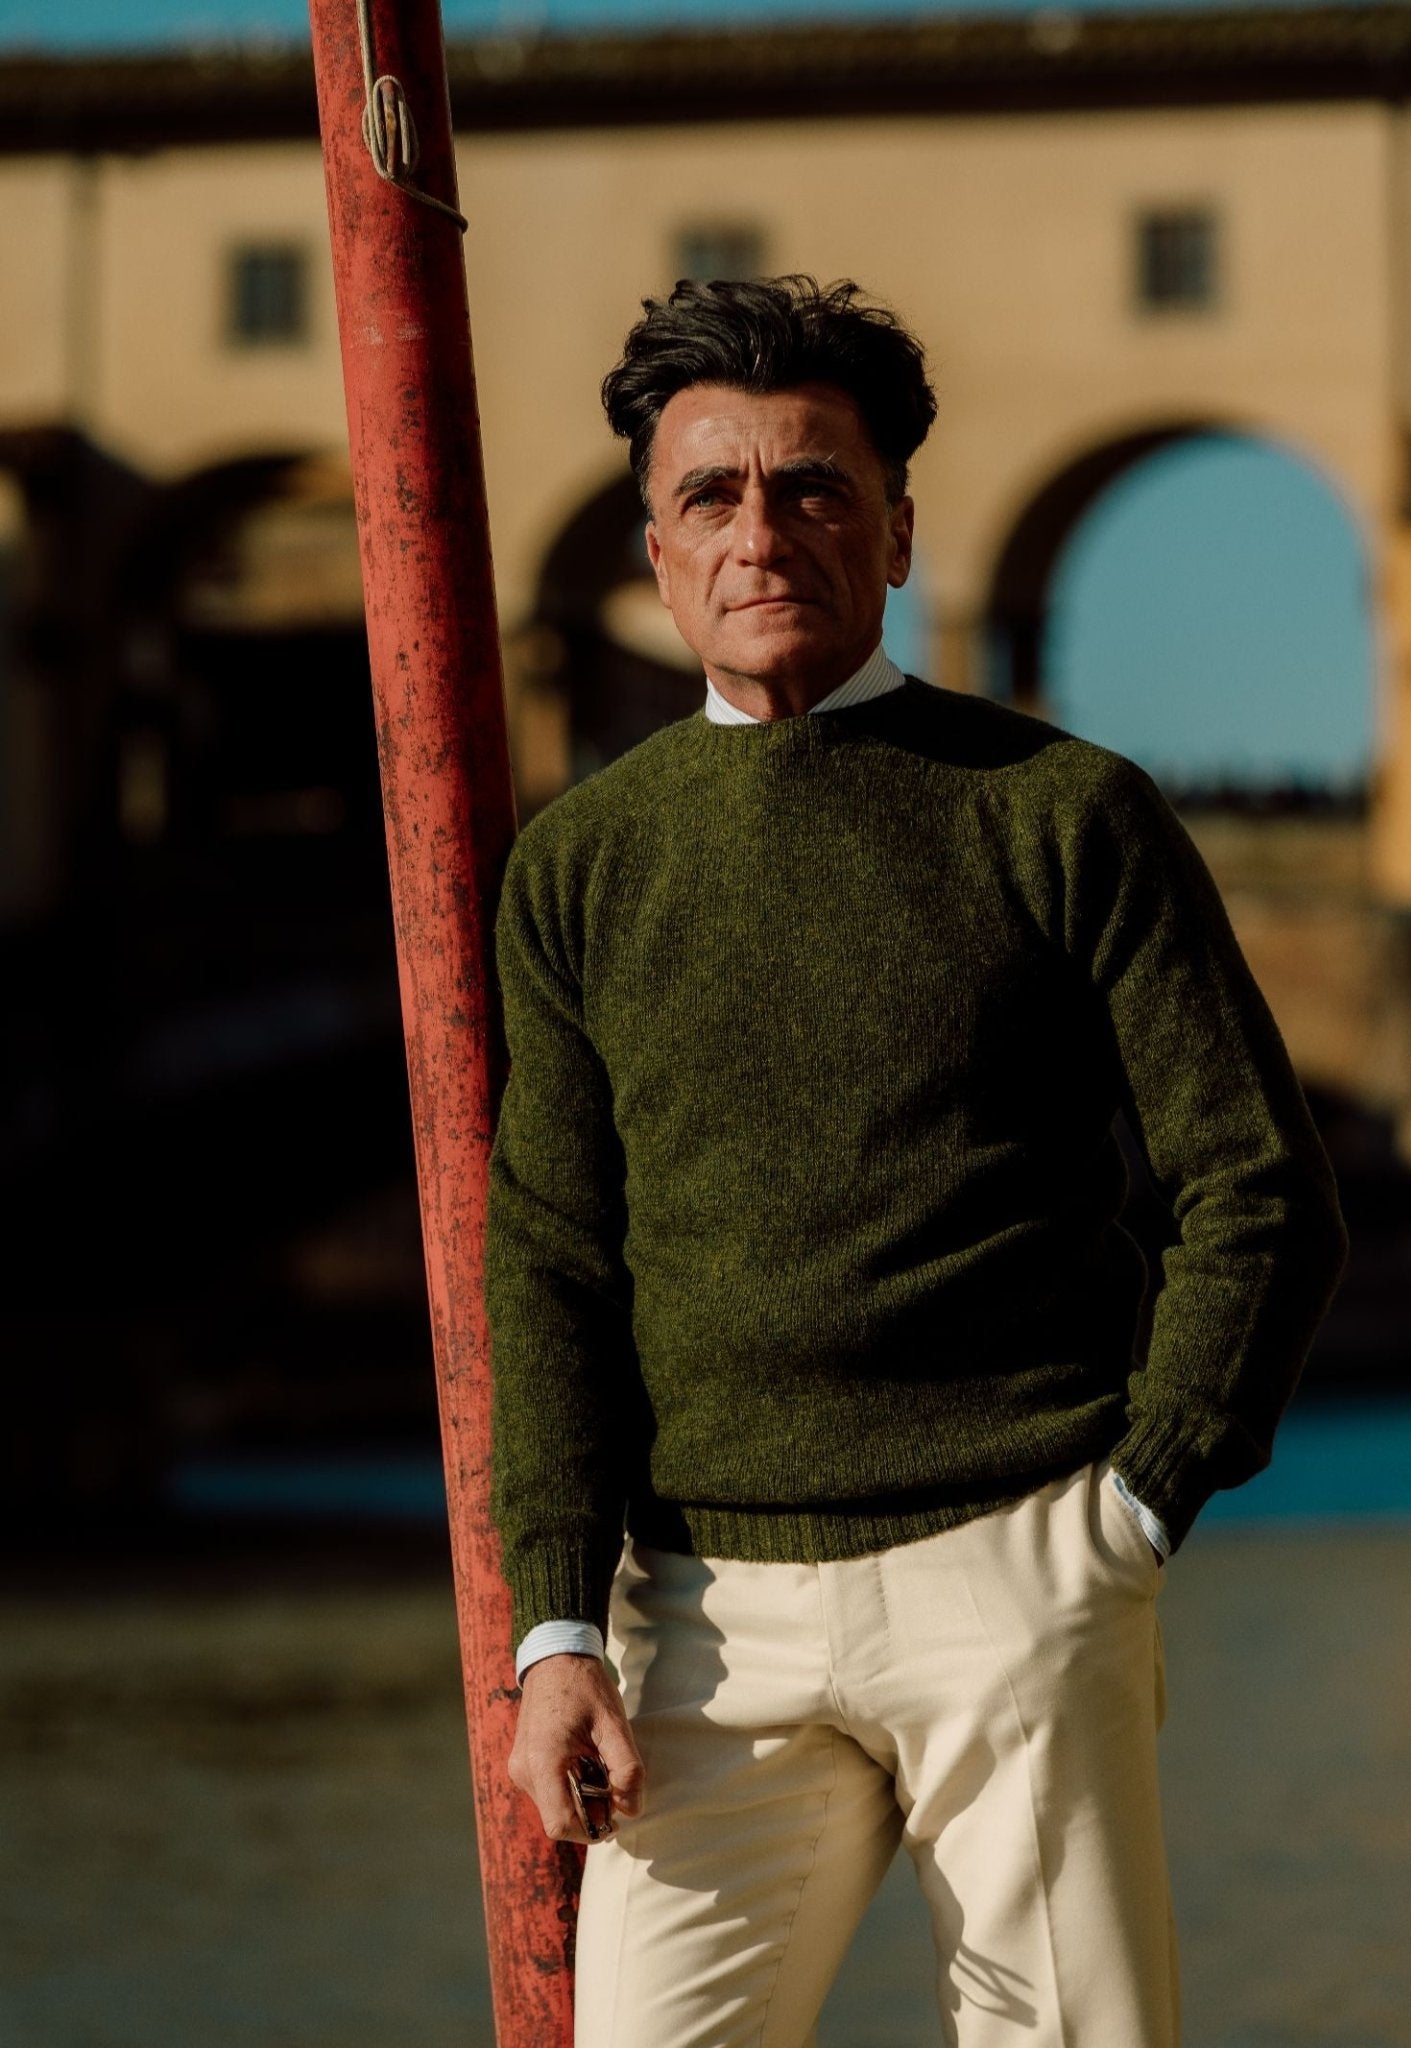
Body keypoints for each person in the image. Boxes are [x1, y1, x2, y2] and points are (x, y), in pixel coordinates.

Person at [486, 275, 1346, 2048]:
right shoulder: (580, 866)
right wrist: (557, 1627)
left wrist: (1134, 1505)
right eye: (709, 494)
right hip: (702, 1614)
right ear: (651, 548)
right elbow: (556, 1260)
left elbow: (1255, 1185)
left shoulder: (1061, 810)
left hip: (1019, 1560)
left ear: (894, 529)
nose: (760, 531)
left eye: (813, 486)